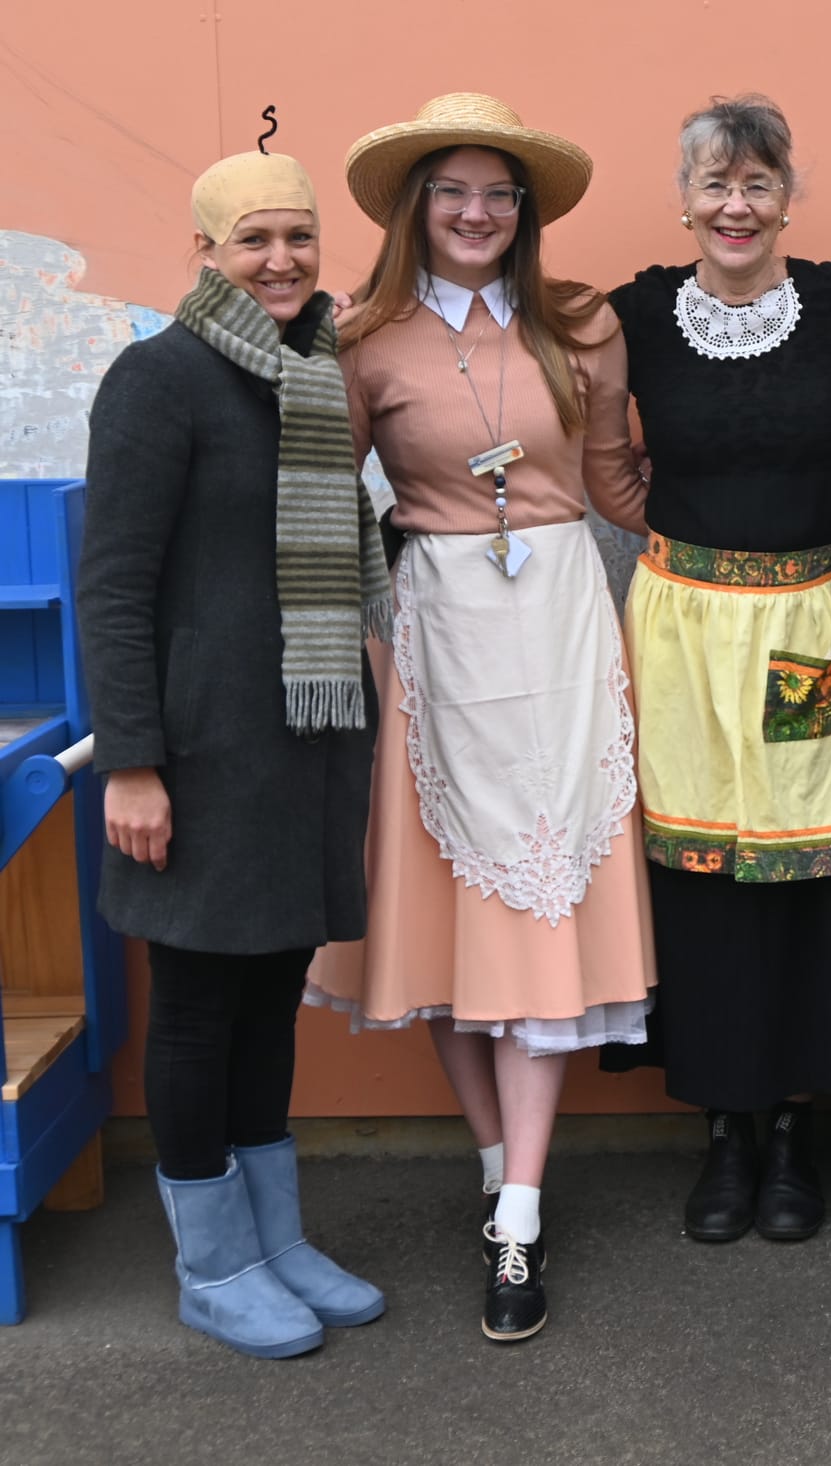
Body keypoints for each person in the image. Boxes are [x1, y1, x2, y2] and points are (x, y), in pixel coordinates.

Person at [305, 94, 655, 1344]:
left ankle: (518, 1214)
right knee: (457, 921)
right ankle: (502, 1166)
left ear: (525, 213)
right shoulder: (365, 339)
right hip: (436, 629)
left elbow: (616, 478)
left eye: (498, 192)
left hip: (564, 615)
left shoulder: (582, 324)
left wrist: (744, 512)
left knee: (547, 904)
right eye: (452, 190)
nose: (475, 211)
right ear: (415, 208)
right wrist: (339, 642)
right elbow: (321, 505)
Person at [77, 151, 388, 1358]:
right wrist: (133, 763)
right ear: (205, 251)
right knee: (200, 1004)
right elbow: (113, 586)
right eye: (252, 238)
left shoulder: (312, 375)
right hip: (202, 750)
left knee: (271, 996)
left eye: (299, 237)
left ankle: (276, 1238)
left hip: (304, 743)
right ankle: (212, 1263)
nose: (281, 260)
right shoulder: (158, 379)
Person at [599, 95, 831, 1244]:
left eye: (757, 184)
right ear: (684, 198)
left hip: (802, 626)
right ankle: (720, 1126)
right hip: (679, 625)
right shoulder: (634, 310)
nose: (736, 206)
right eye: (716, 185)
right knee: (695, 866)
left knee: (796, 865)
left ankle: (787, 1132)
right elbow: (590, 445)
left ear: (787, 198)